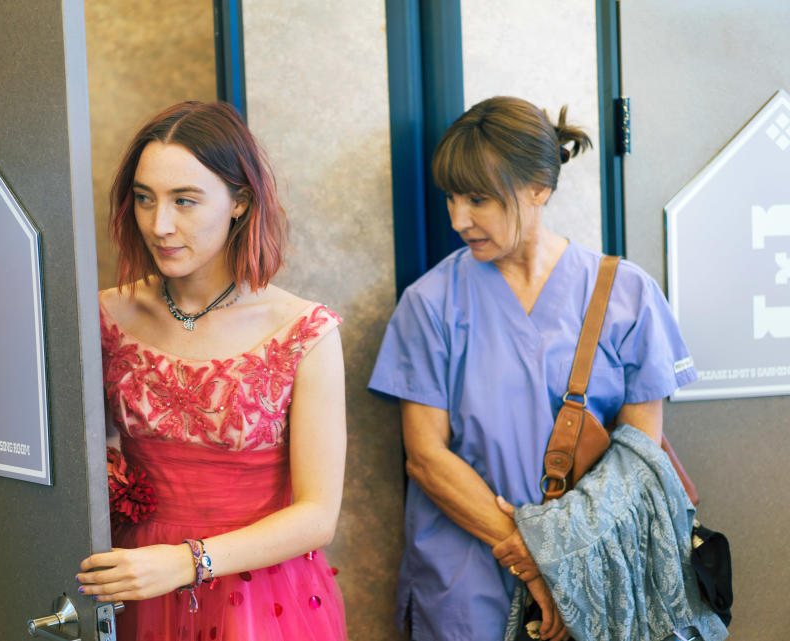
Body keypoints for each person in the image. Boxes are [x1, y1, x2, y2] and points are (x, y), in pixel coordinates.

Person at [368, 96, 698, 641]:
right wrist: (536, 560)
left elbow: (638, 460)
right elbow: (426, 457)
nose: (458, 219)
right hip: (466, 576)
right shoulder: (430, 304)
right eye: (451, 197)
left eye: (479, 198)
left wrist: (562, 560)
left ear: (539, 188)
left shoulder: (626, 293)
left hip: (595, 573)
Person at [77, 101, 348, 641]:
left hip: (259, 592)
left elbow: (318, 515)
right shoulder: (104, 315)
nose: (161, 224)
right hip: (133, 578)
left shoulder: (304, 332)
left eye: (185, 201)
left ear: (240, 202)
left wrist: (185, 562)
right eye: (144, 199)